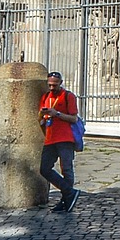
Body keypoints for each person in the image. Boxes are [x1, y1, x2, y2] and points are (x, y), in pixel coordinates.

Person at [39, 70, 81, 211]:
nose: (52, 88)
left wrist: (56, 113)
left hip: (65, 138)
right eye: (49, 85)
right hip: (50, 138)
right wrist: (42, 118)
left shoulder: (68, 96)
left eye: (55, 85)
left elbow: (74, 118)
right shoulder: (46, 97)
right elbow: (41, 116)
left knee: (66, 169)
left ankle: (66, 200)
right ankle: (69, 193)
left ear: (61, 83)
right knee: (44, 169)